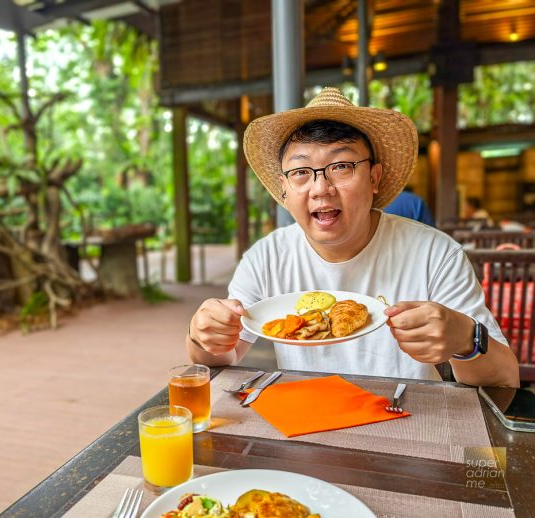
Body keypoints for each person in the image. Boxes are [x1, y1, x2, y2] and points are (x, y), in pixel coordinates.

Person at [186, 87, 518, 387]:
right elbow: (220, 360)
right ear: (284, 190)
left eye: (342, 166)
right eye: (301, 172)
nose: (320, 189)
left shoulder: (436, 254)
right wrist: (203, 338)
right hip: (307, 430)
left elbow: (506, 379)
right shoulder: (265, 258)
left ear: (374, 177)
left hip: (407, 427)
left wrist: (466, 340)